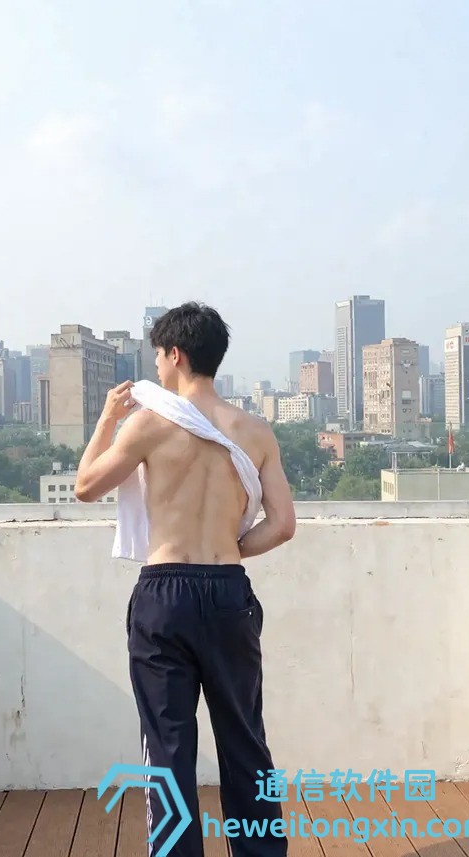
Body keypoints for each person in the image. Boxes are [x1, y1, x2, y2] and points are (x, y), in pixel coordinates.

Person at [75, 302, 296, 857]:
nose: (155, 366)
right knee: (245, 740)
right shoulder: (256, 431)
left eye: (158, 355)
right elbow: (283, 525)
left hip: (164, 594)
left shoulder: (148, 424)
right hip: (228, 592)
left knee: (167, 748)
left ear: (176, 355)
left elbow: (85, 487)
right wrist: (228, 552)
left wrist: (107, 419)